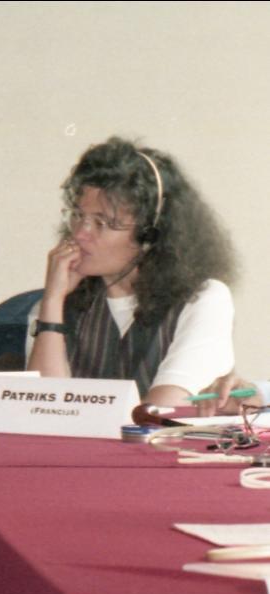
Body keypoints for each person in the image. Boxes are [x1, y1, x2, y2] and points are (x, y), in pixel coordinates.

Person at [27, 137, 236, 407]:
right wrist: (53, 302)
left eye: (102, 222)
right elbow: (42, 410)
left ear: (150, 234)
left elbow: (160, 411)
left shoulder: (204, 300)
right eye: (78, 215)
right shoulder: (53, 307)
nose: (79, 234)